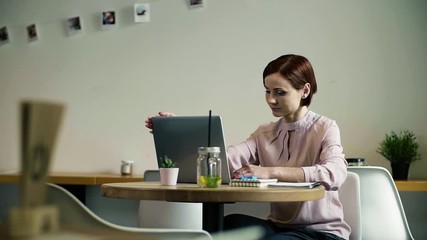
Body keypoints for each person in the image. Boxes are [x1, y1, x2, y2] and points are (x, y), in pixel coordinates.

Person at [145, 54, 350, 240]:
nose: (271, 99)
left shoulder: (326, 128)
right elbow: (225, 160)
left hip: (322, 232)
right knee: (221, 227)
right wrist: (177, 132)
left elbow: (334, 173)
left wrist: (269, 172)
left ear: (304, 90)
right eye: (267, 91)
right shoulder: (265, 133)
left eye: (280, 92)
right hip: (279, 227)